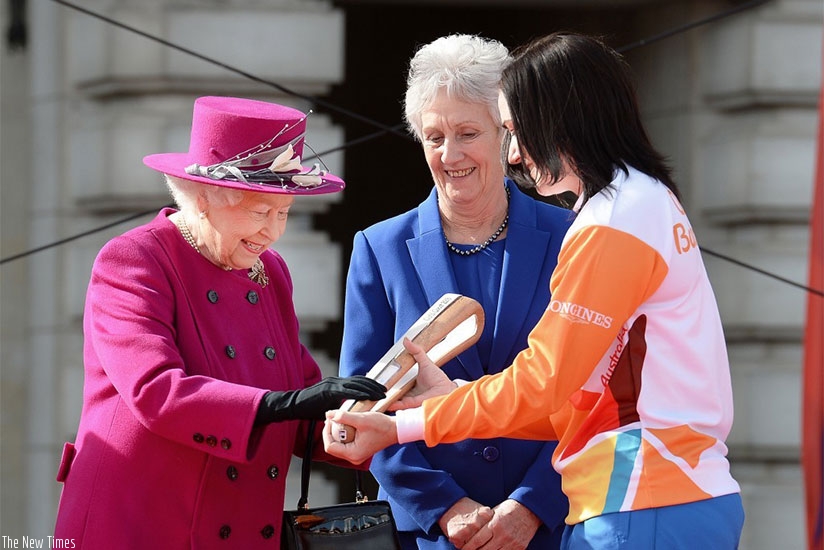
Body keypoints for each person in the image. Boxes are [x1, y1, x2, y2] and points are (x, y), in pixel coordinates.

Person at [325, 32, 745, 549]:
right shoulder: (638, 203)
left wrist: (407, 425)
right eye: (434, 136)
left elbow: (547, 382)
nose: (518, 152)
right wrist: (446, 409)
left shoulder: (608, 221)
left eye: (508, 130)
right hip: (644, 494)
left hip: (638, 496)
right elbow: (582, 396)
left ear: (560, 119)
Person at [53, 96, 386, 549]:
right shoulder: (134, 259)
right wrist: (281, 405)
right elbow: (155, 390)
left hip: (240, 529)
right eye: (259, 212)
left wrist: (375, 422)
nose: (273, 232)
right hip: (142, 524)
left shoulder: (270, 273)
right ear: (205, 198)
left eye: (283, 213)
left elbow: (300, 400)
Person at [337, 34, 572, 550]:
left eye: (468, 133)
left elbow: (592, 391)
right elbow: (364, 403)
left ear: (507, 136)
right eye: (434, 136)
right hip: (433, 537)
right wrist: (445, 508)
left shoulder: (571, 238)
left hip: (555, 529)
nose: (450, 154)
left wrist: (533, 505)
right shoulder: (379, 248)